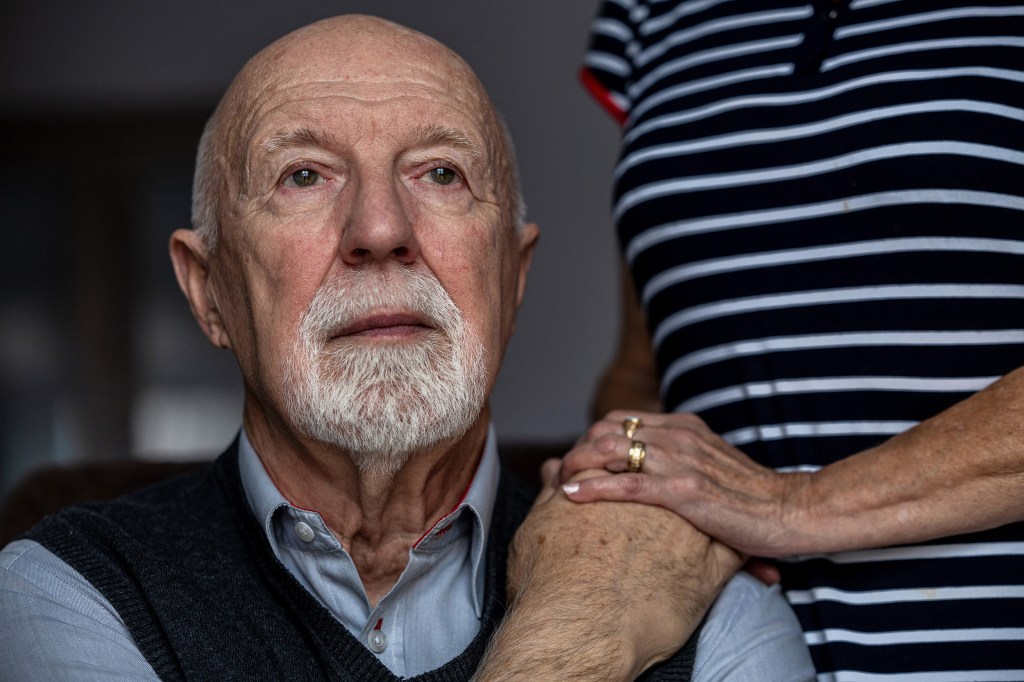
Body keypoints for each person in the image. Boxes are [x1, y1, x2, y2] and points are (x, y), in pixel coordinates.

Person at [0, 14, 814, 681]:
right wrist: (572, 639)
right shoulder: (66, 593)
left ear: (513, 275)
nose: (381, 231)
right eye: (304, 176)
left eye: (441, 173)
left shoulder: (708, 608)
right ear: (210, 292)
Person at [569, 0, 1024, 678]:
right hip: (734, 653)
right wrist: (611, 469)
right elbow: (646, 365)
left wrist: (792, 503)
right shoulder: (651, 14)